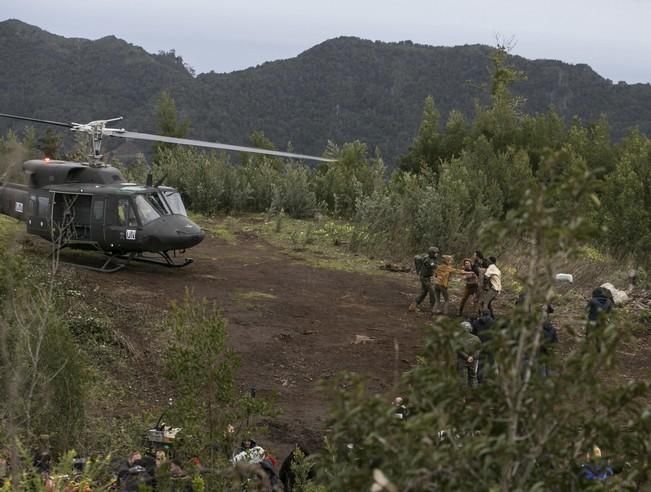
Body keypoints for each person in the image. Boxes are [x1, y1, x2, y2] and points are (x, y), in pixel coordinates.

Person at [409, 246, 439, 312]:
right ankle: (433, 308)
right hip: (425, 278)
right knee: (432, 291)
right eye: (435, 253)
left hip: (426, 277)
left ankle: (413, 305)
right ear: (431, 253)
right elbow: (433, 266)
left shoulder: (430, 258)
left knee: (424, 292)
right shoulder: (428, 260)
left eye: (437, 253)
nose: (437, 254)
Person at [585, 287, 614, 351]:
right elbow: (611, 312)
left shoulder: (592, 301)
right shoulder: (609, 301)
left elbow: (586, 310)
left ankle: (587, 345)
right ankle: (599, 348)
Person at [456, 321, 481, 387]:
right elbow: (479, 350)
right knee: (473, 377)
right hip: (473, 361)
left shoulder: (458, 338)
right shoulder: (476, 338)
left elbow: (458, 350)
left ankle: (464, 395)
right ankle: (474, 394)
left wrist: (467, 357)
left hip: (462, 360)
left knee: (463, 378)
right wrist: (473, 357)